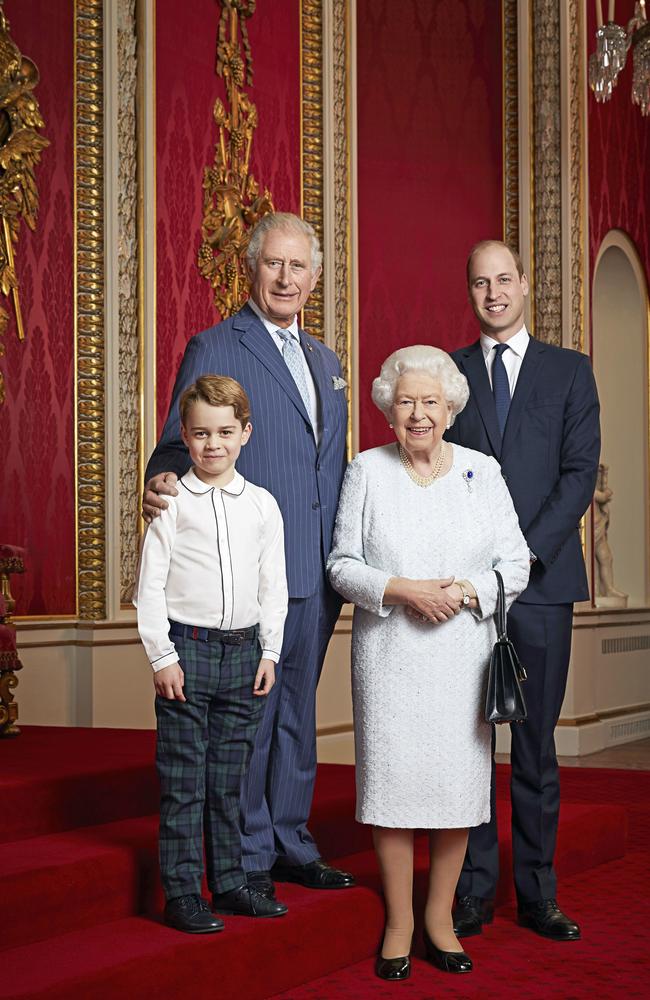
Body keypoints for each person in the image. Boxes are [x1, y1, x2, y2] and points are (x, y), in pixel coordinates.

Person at [142, 213, 354, 903]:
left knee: (297, 714)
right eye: (274, 265)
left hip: (319, 569)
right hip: (251, 568)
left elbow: (329, 467)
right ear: (253, 269)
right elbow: (178, 441)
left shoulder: (327, 361)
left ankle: (291, 839)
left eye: (299, 267)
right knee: (251, 725)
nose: (287, 278)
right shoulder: (217, 345)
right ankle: (246, 854)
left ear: (314, 278)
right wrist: (163, 479)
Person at [327, 345, 530, 981]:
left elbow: (515, 563)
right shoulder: (367, 470)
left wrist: (465, 592)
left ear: (450, 408)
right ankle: (398, 921)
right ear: (389, 408)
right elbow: (341, 564)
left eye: (431, 402)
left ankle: (439, 918)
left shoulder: (483, 471)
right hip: (389, 653)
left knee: (455, 790)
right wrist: (403, 590)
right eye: (407, 401)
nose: (419, 414)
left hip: (460, 655)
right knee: (391, 786)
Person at [446, 240, 600, 942]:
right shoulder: (445, 374)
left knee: (535, 747)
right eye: (480, 283)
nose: (493, 293)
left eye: (503, 279)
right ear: (471, 292)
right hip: (468, 592)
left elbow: (578, 476)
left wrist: (523, 556)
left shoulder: (570, 372)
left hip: (540, 586)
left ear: (525, 285)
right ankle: (473, 890)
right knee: (472, 745)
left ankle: (537, 892)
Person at [134, 375, 289, 931]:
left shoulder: (263, 506)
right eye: (201, 434)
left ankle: (228, 883)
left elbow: (274, 585)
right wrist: (161, 656)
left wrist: (270, 652)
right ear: (185, 434)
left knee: (229, 779)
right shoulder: (172, 503)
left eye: (225, 432)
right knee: (183, 779)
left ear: (245, 432)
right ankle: (182, 892)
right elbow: (148, 587)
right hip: (188, 652)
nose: (213, 444)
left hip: (244, 654)